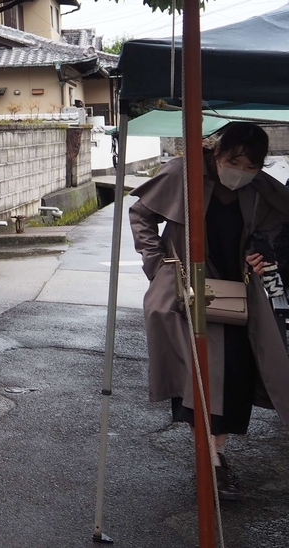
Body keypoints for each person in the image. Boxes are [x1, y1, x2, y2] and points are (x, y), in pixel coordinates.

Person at [130, 122, 289, 500]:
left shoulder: (260, 190)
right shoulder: (181, 172)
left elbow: (273, 233)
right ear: (217, 153)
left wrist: (262, 255)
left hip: (238, 292)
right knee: (199, 374)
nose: (241, 172)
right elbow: (141, 215)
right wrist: (158, 265)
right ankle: (212, 460)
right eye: (235, 161)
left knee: (235, 373)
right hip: (187, 291)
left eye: (251, 167)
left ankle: (217, 454)